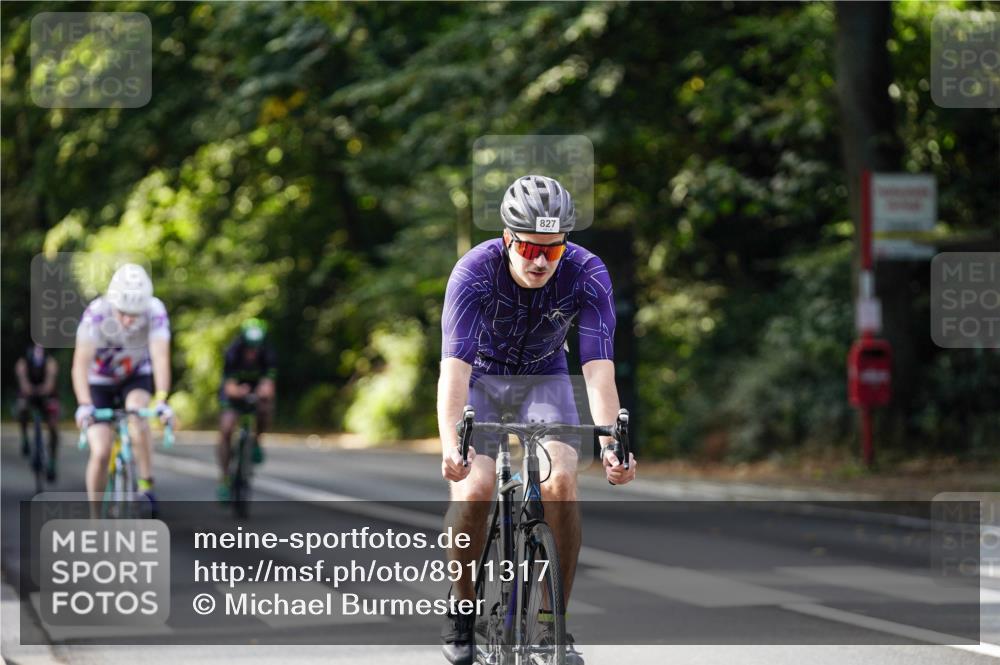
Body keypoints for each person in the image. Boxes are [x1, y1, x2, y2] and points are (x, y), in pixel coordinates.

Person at [438, 175, 638, 665]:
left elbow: (597, 370)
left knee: (562, 481)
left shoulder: (587, 273)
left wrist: (614, 442)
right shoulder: (474, 272)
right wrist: (452, 446)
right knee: (476, 488)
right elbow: (454, 371)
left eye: (553, 249)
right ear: (508, 238)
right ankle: (462, 609)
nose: (540, 260)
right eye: (529, 247)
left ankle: (553, 626)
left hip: (544, 381)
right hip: (480, 381)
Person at [72, 263, 173, 506]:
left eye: (134, 314)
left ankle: (146, 484)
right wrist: (84, 404)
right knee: (101, 450)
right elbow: (80, 365)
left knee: (137, 416)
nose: (128, 321)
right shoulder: (96, 314)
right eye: (122, 313)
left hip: (135, 375)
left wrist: (161, 399)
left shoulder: (154, 309)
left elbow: (160, 357)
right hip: (99, 381)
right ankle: (96, 520)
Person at [215, 318, 276, 502]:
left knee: (265, 408)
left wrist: (262, 391)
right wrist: (239, 392)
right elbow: (229, 386)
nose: (252, 352)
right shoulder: (233, 353)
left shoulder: (268, 353)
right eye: (250, 347)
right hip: (234, 393)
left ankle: (257, 441)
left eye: (255, 348)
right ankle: (225, 478)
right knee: (226, 428)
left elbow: (269, 383)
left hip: (256, 391)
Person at [15, 342, 61, 479]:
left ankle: (52, 462)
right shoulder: (23, 361)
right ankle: (24, 439)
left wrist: (44, 389)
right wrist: (27, 388)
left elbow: (50, 380)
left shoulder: (50, 361)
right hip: (29, 394)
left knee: (53, 426)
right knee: (21, 408)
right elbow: (22, 378)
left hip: (46, 395)